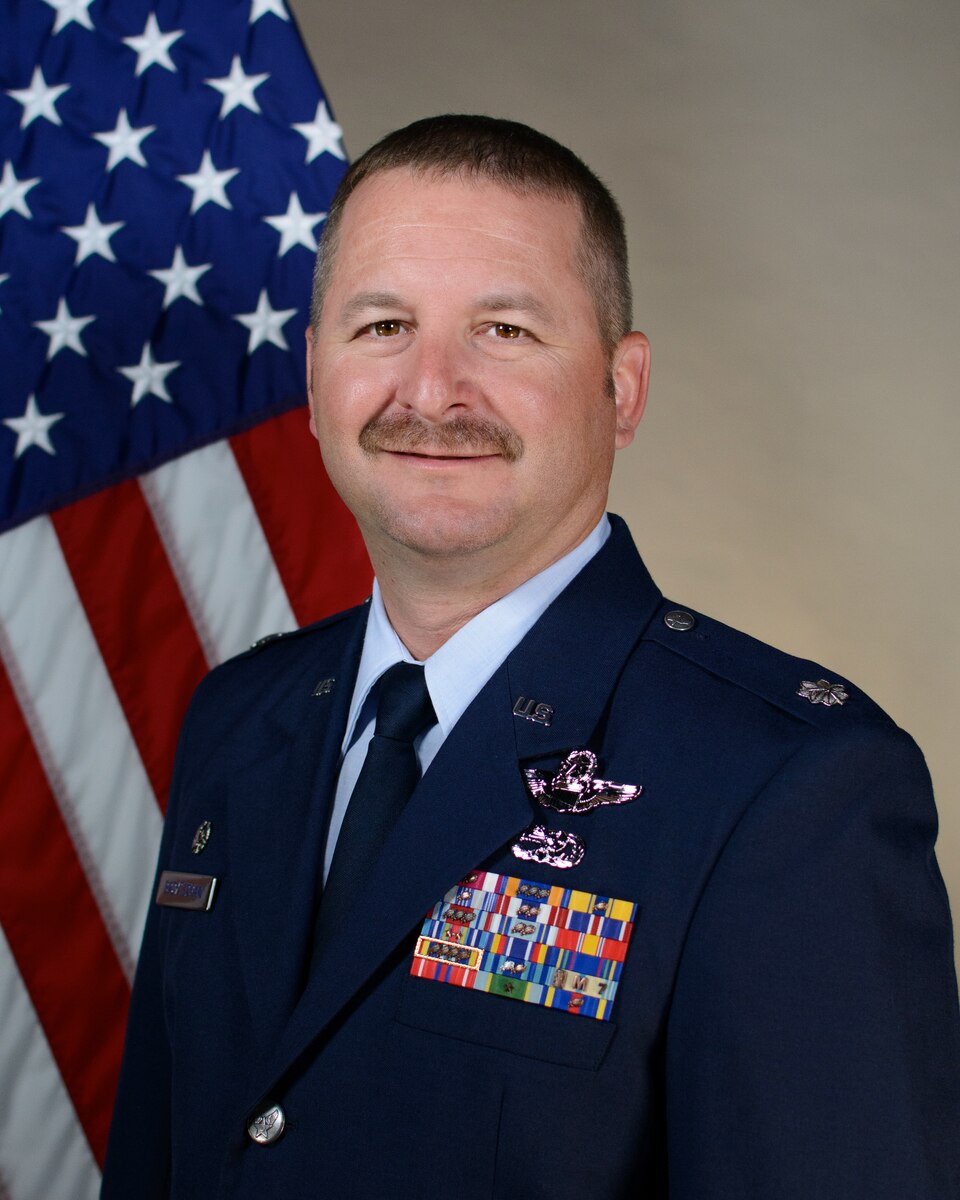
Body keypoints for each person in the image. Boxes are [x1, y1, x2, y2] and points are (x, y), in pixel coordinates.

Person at [102, 115, 960, 1199]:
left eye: (504, 331)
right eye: (381, 327)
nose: (431, 390)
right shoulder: (241, 719)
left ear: (623, 387)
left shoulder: (786, 785)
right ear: (315, 378)